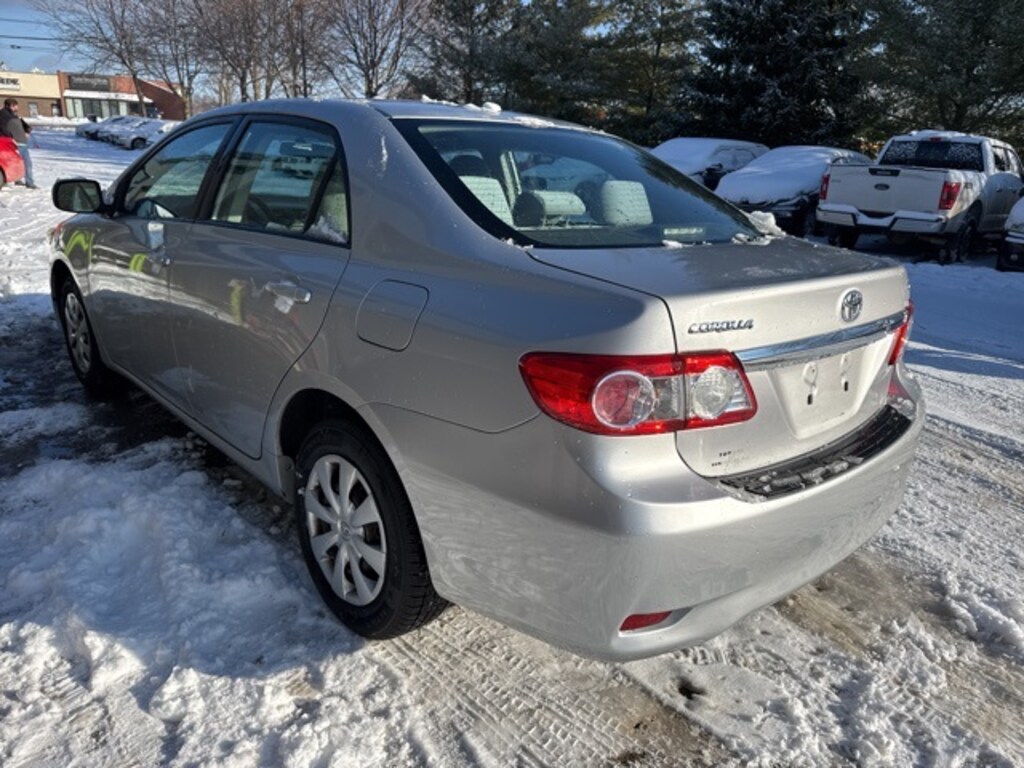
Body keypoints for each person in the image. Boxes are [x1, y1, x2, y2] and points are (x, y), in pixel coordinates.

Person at [0, 98, 37, 188]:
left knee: (23, 163)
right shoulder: (4, 115)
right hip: (15, 144)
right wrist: (10, 138)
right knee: (25, 163)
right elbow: (2, 128)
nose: (17, 108)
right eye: (16, 106)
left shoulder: (12, 115)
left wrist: (26, 130)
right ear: (11, 106)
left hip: (21, 143)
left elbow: (16, 125)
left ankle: (19, 179)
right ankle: (29, 182)